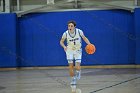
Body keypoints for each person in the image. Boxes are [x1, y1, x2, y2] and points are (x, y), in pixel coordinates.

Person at [60, 20, 91, 85]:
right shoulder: (65, 33)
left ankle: (78, 71)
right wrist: (64, 47)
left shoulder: (79, 31)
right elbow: (61, 41)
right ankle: (73, 79)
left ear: (74, 27)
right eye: (68, 26)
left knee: (77, 66)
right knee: (70, 66)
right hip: (69, 50)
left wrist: (89, 44)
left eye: (71, 26)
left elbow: (84, 38)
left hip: (78, 50)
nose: (69, 27)